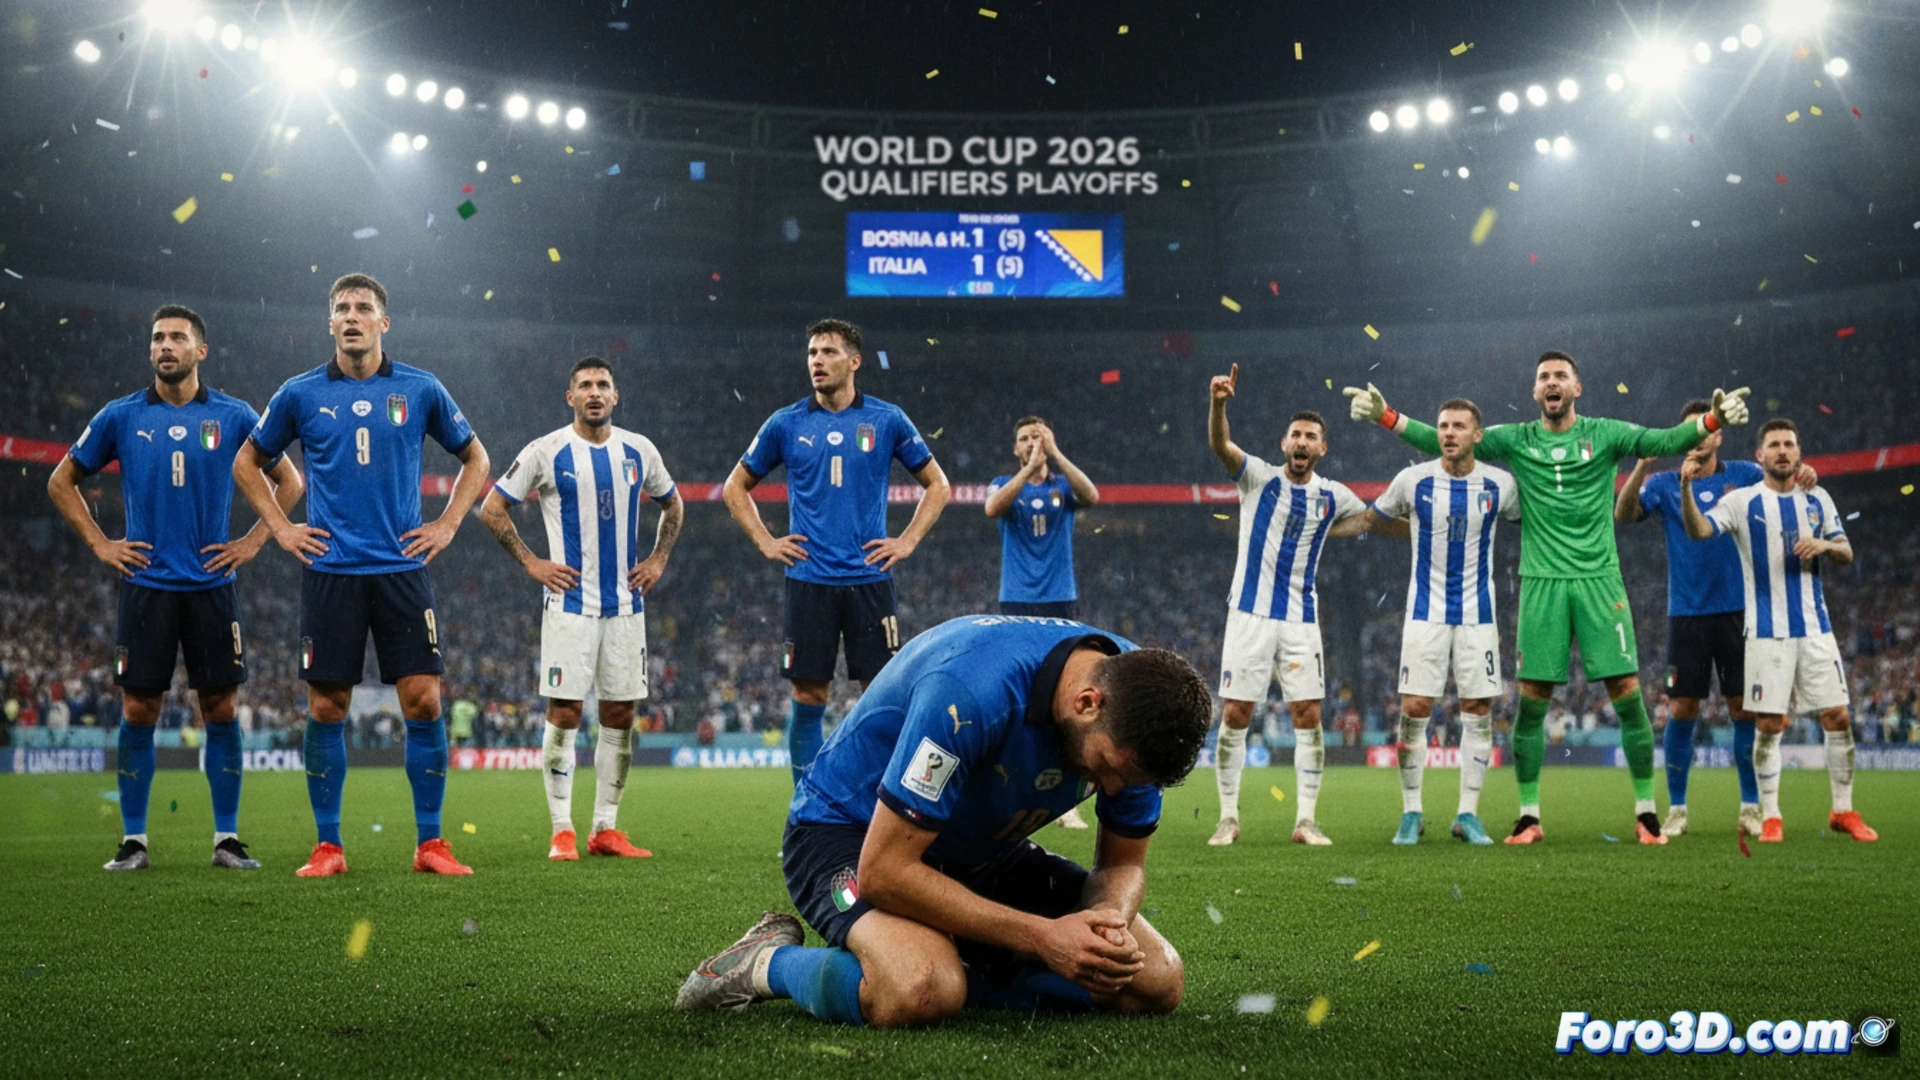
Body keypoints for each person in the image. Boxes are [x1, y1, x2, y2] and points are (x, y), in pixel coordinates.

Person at [672, 614, 1211, 1026]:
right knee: (921, 988)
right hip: (849, 835)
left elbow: (1122, 864)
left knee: (1154, 981)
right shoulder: (970, 695)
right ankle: (767, 962)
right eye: (1109, 769)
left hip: (979, 852)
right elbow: (884, 871)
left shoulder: (1141, 705)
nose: (1111, 789)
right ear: (1087, 702)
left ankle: (965, 961)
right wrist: (1043, 938)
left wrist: (1107, 923)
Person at [1345, 353, 1749, 844]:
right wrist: (1388, 417)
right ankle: (1529, 817)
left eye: (1560, 375)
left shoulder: (1606, 433)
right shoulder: (1517, 439)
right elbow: (1448, 440)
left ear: (1577, 387)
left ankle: (1646, 813)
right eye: (1543, 377)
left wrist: (1711, 421)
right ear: (1535, 392)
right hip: (1540, 583)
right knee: (1532, 703)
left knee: (1627, 693)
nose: (1551, 382)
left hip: (1599, 580)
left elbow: (1662, 441)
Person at [233, 273, 492, 877]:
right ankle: (329, 847)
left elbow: (476, 457)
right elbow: (247, 461)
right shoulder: (299, 393)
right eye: (343, 309)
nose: (352, 316)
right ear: (330, 323)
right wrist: (281, 528)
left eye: (364, 308)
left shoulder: (420, 388)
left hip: (402, 568)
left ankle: (431, 844)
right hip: (332, 571)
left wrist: (449, 524)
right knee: (327, 706)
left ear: (383, 322)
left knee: (424, 700)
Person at [47, 304, 303, 871]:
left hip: (212, 584)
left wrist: (254, 541)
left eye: (177, 338)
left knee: (221, 707)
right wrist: (101, 544)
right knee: (139, 709)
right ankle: (134, 841)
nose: (165, 346)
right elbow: (61, 481)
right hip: (147, 586)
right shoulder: (121, 415)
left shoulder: (235, 415)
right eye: (158, 337)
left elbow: (289, 480)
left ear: (200, 351)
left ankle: (227, 840)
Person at [722, 319, 951, 786]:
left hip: (870, 581)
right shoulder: (786, 422)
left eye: (828, 352)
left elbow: (938, 485)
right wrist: (766, 540)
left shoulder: (887, 419)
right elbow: (734, 487)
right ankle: (807, 807)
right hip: (809, 582)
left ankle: (880, 807)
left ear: (854, 361)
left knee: (883, 698)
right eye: (812, 353)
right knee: (808, 697)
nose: (817, 361)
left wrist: (907, 540)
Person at [480, 356, 683, 861]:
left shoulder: (639, 450)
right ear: (570, 397)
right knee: (566, 711)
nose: (595, 393)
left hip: (625, 606)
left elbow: (673, 504)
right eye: (586, 386)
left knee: (620, 713)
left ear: (616, 396)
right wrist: (532, 563)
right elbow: (492, 508)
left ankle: (605, 829)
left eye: (603, 385)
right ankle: (562, 830)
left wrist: (658, 558)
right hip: (569, 605)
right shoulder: (546, 451)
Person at [1616, 400, 1818, 838]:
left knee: (1742, 709)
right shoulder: (1663, 483)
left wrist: (1804, 473)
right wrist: (1641, 465)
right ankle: (1678, 808)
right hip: (1686, 614)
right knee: (1681, 708)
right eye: (1690, 431)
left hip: (1739, 612)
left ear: (1719, 434)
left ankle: (1749, 806)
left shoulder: (1744, 474)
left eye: (1705, 429)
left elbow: (1783, 480)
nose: (1698, 438)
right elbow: (1624, 514)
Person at [1207, 365, 1389, 847]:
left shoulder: (1332, 495)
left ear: (1322, 448)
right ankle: (1227, 817)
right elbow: (1221, 446)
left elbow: (1368, 519)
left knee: (1307, 714)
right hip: (1249, 614)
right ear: (1284, 444)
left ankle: (1306, 820)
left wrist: (1417, 517)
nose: (1302, 442)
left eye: (1311, 436)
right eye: (1296, 435)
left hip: (1301, 620)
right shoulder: (1258, 479)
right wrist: (1219, 404)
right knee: (1236, 713)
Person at [1679, 419, 1877, 843]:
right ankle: (1771, 816)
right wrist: (1685, 489)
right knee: (1769, 723)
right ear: (1760, 455)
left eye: (1789, 444)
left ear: (1799, 452)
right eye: (1774, 445)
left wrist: (1824, 545)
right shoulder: (1742, 501)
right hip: (1766, 633)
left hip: (1816, 629)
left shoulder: (1818, 497)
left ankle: (1843, 810)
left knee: (1838, 716)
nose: (1782, 451)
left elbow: (1845, 550)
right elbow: (1698, 530)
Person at [1357, 399, 1519, 846]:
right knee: (1414, 709)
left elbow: (1534, 519)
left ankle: (1468, 814)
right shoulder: (1412, 480)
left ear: (1477, 435)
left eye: (1459, 426)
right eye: (1443, 425)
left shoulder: (1501, 484)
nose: (1449, 432)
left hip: (1478, 615)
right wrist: (1328, 525)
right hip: (1424, 613)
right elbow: (1373, 518)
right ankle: (1412, 812)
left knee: (1479, 710)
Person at [984, 416, 1100, 830]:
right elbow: (991, 508)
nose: (1032, 442)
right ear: (1015, 448)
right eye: (1024, 438)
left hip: (1060, 599)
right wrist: (1029, 470)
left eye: (1038, 436)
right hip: (1016, 599)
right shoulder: (1003, 484)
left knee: (1063, 695)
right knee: (1020, 694)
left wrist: (1055, 456)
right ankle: (1011, 790)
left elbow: (1092, 496)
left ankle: (1064, 801)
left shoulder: (1063, 486)